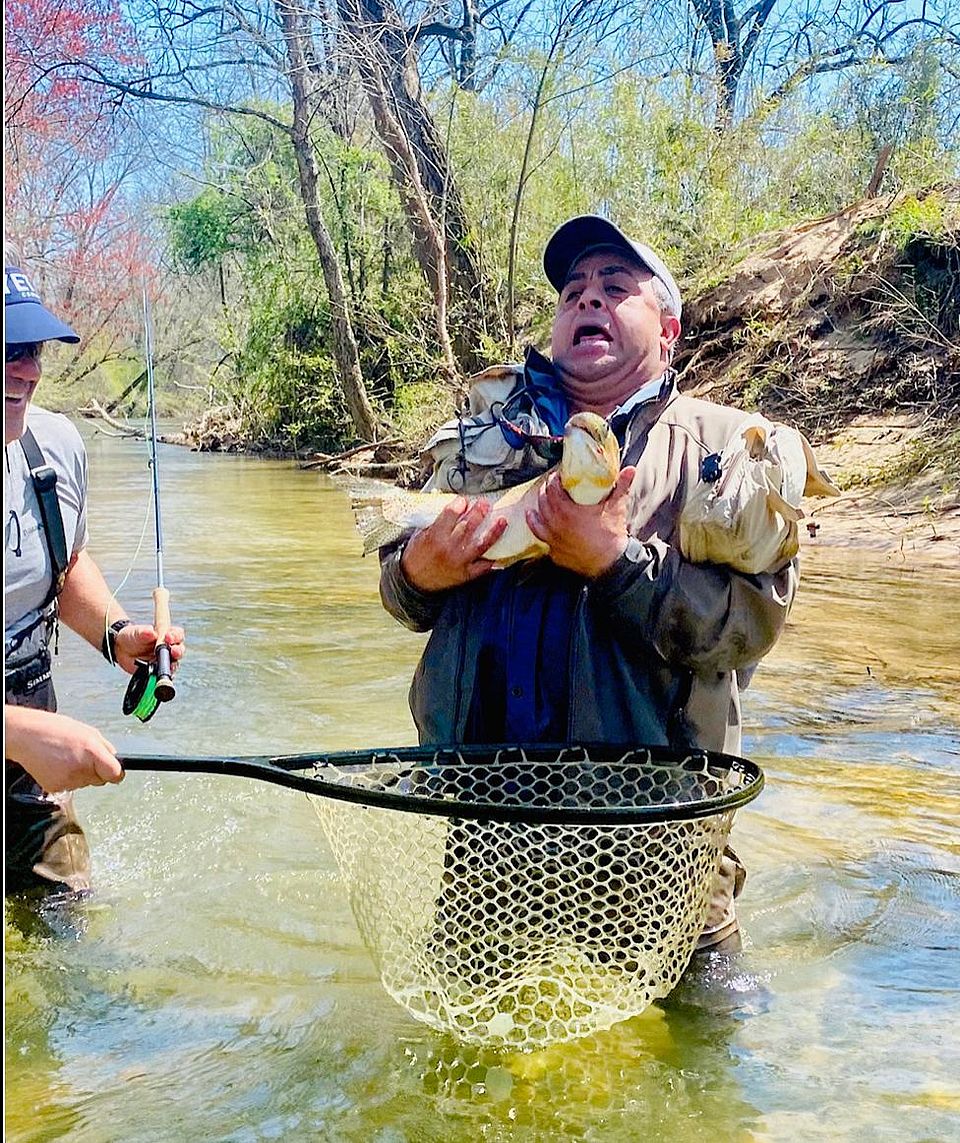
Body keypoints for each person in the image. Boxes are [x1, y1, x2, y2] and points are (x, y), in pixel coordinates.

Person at [379, 215, 803, 952]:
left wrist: (613, 562)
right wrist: (419, 572)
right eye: (573, 291)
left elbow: (748, 627)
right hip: (489, 839)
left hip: (660, 847)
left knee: (702, 1056)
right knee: (466, 1060)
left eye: (614, 287)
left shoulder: (729, 449)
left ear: (667, 330)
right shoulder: (485, 439)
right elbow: (400, 592)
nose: (587, 301)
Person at [4, 259, 185, 899]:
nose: (25, 369)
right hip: (24, 735)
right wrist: (20, 734)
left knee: (67, 909)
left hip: (27, 750)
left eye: (29, 349)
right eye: (5, 350)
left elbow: (65, 562)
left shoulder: (56, 446)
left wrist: (117, 635)